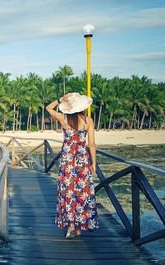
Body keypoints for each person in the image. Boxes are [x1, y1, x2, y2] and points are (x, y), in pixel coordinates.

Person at [46, 92, 99, 238]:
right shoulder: (88, 120)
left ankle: (71, 226)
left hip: (68, 161)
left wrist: (59, 99)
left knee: (68, 192)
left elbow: (48, 108)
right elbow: (92, 144)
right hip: (82, 161)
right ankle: (79, 227)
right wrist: (94, 163)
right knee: (82, 193)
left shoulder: (64, 118)